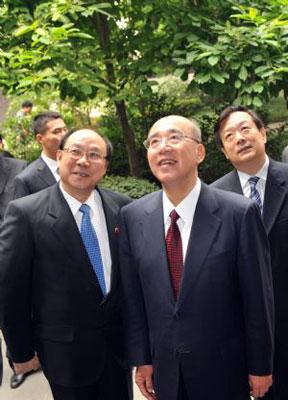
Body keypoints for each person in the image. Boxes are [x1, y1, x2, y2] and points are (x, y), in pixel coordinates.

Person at [119, 115, 274, 400]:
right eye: (154, 142)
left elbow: (257, 297)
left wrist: (261, 364)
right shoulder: (133, 216)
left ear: (200, 152)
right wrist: (142, 358)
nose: (163, 147)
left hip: (225, 369)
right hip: (165, 370)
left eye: (175, 138)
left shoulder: (238, 213)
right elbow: (133, 297)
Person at [0, 128, 132, 400]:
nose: (84, 161)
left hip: (117, 352)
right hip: (64, 354)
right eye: (75, 152)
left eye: (94, 155)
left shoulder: (123, 209)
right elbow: (10, 289)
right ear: (59, 156)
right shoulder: (25, 213)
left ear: (105, 166)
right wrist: (20, 352)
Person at [212, 105, 288, 400]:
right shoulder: (215, 197)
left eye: (246, 129)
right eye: (229, 135)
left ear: (263, 133)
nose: (239, 138)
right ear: (223, 150)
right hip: (246, 334)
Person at [14, 111, 67, 198]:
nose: (64, 135)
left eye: (65, 129)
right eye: (57, 131)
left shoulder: (78, 165)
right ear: (40, 139)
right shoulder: (27, 179)